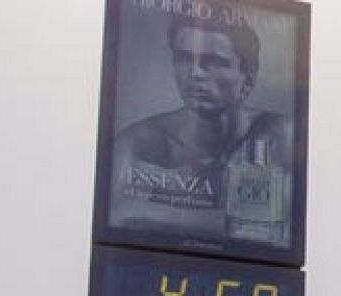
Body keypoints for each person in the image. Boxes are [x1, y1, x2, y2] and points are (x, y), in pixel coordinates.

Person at [110, 7, 292, 232]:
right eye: (184, 58)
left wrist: (148, 212)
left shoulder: (281, 135)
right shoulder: (135, 145)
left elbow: (281, 228)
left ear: (249, 76)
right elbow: (116, 217)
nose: (195, 73)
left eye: (214, 61)